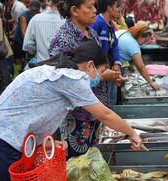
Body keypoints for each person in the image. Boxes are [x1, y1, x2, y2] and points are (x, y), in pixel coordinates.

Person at [0, 41, 142, 181]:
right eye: (101, 70)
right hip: (1, 144)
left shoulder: (53, 70)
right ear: (90, 65)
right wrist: (131, 132)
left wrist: (43, 141)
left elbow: (33, 109)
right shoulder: (72, 78)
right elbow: (104, 114)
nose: (99, 76)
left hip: (3, 140)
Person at [49, 0, 122, 157]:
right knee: (76, 164)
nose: (95, 10)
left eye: (94, 6)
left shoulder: (92, 33)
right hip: (76, 115)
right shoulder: (63, 39)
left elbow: (95, 66)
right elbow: (65, 81)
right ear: (75, 10)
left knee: (90, 161)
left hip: (95, 110)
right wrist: (103, 76)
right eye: (90, 7)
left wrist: (108, 74)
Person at [90, 0, 122, 105]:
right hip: (98, 74)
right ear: (109, 8)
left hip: (108, 71)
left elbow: (115, 45)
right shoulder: (97, 23)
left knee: (109, 102)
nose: (119, 10)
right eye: (117, 6)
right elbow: (91, 48)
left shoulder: (111, 26)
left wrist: (117, 63)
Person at [116, 23, 159, 90]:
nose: (144, 43)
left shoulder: (124, 32)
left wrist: (130, 66)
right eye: (145, 41)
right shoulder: (133, 44)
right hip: (111, 67)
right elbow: (141, 67)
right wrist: (151, 83)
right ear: (140, 35)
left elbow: (122, 51)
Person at [12, 0, 40, 77]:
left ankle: (25, 75)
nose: (34, 12)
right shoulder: (23, 16)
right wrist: (29, 47)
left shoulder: (39, 16)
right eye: (32, 10)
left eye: (36, 10)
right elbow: (23, 33)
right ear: (29, 8)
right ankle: (16, 76)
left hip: (31, 41)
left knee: (28, 60)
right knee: (18, 59)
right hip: (20, 40)